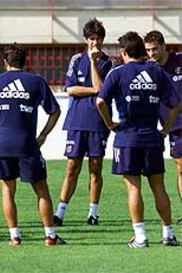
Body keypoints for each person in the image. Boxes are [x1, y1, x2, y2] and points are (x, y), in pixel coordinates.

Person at [0, 43, 66, 246]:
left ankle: (15, 236)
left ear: (5, 62)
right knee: (41, 190)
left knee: (7, 190)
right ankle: (50, 235)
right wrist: (43, 135)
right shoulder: (36, 81)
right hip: (27, 143)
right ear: (25, 62)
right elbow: (55, 111)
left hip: (3, 143)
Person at [97, 31, 180, 248]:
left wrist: (109, 124)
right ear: (142, 50)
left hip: (127, 138)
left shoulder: (117, 73)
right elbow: (176, 104)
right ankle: (168, 235)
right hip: (152, 137)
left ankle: (141, 237)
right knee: (159, 187)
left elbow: (99, 102)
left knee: (134, 188)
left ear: (124, 52)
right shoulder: (157, 72)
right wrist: (166, 129)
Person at [53, 18, 113, 226]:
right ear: (86, 39)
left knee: (95, 168)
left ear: (102, 40)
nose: (94, 42)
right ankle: (60, 213)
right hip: (77, 121)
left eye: (98, 39)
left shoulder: (108, 62)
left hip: (98, 122)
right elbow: (70, 89)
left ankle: (93, 213)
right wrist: (92, 90)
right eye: (91, 39)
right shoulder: (76, 59)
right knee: (72, 167)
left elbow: (103, 90)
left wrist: (95, 64)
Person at [144, 30, 182, 225]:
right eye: (148, 50)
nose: (151, 54)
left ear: (164, 46)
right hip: (173, 125)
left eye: (154, 49)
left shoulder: (179, 61)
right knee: (181, 167)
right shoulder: (149, 69)